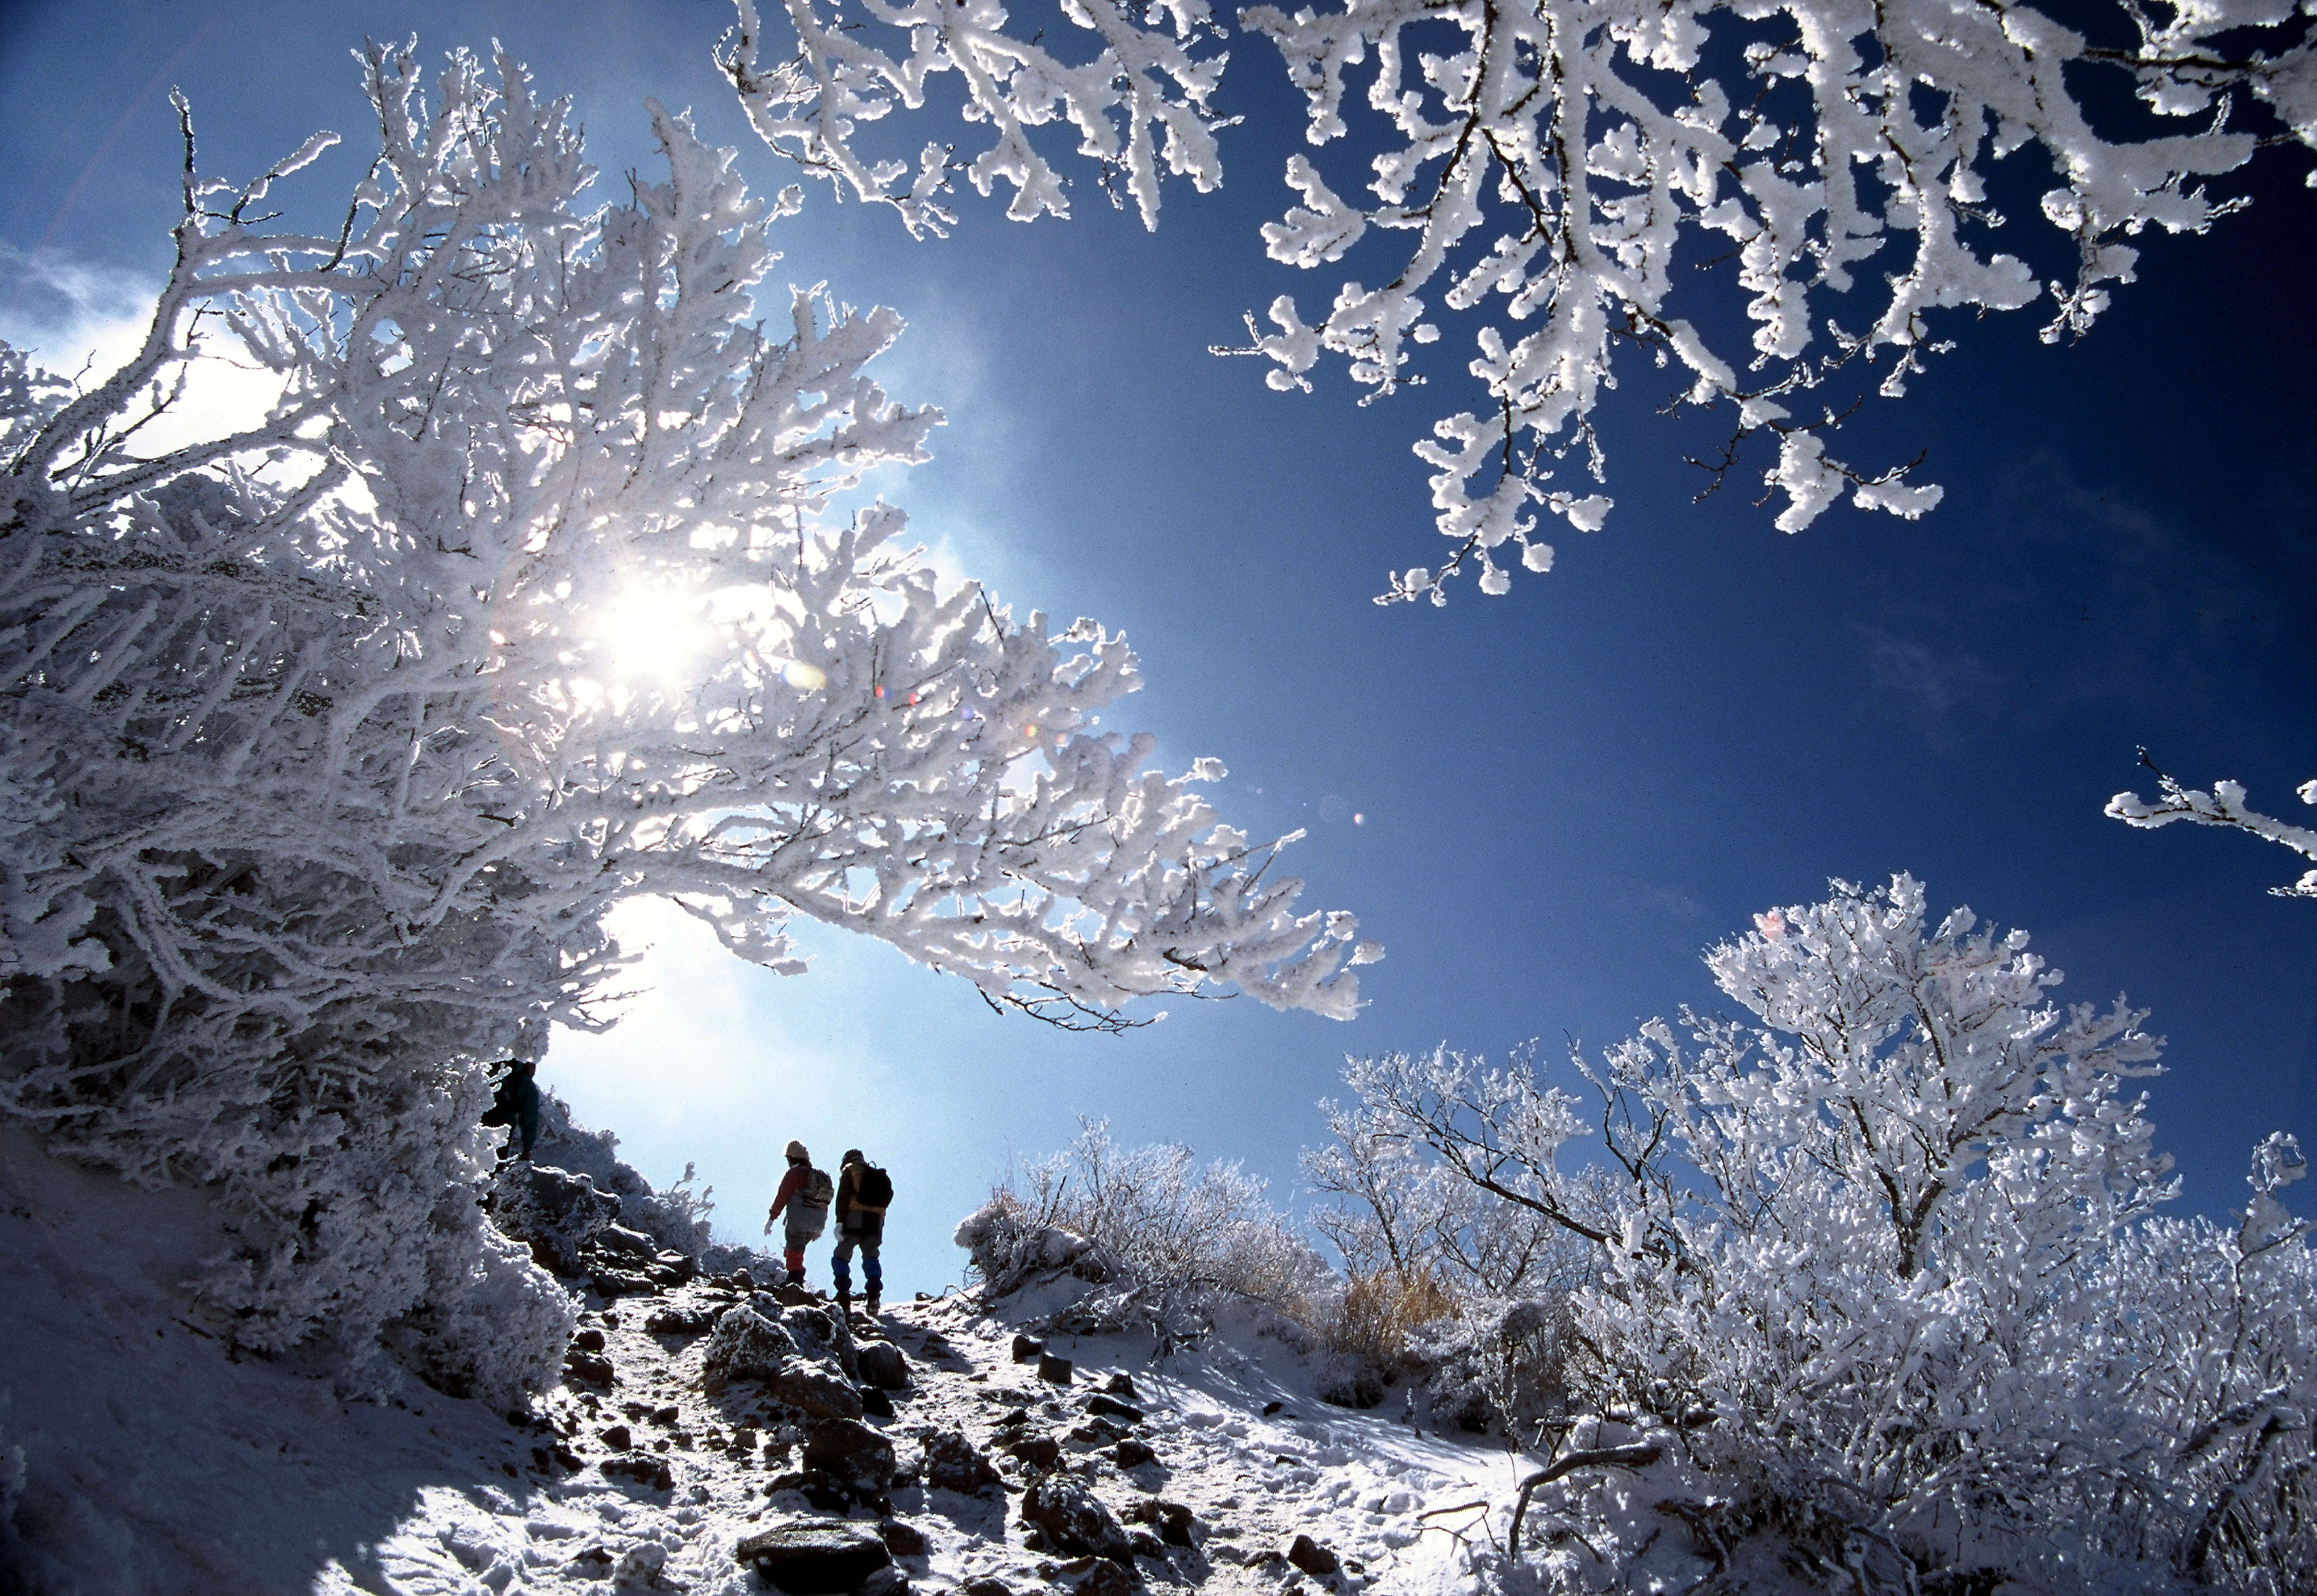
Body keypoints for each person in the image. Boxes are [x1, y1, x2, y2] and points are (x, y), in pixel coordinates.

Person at [762, 1140, 833, 1288]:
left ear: (792, 1158)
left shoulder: (795, 1173)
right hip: (818, 1223)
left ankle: (795, 1284)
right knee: (795, 1249)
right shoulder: (816, 1177)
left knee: (794, 1250)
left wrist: (772, 1218)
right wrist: (821, 1227)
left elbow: (782, 1196)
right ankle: (796, 1278)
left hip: (799, 1221)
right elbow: (823, 1203)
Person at [831, 1147, 890, 1317]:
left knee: (841, 1257)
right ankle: (873, 1295)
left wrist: (839, 1222)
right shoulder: (877, 1174)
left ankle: (843, 1295)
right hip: (876, 1222)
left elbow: (843, 1198)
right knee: (871, 1257)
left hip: (855, 1218)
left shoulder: (850, 1170)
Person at [479, 1058, 540, 1161]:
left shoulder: (496, 1067)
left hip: (478, 1116)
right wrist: (527, 1150)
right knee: (493, 1163)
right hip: (503, 1124)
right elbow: (530, 1119)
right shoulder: (527, 1085)